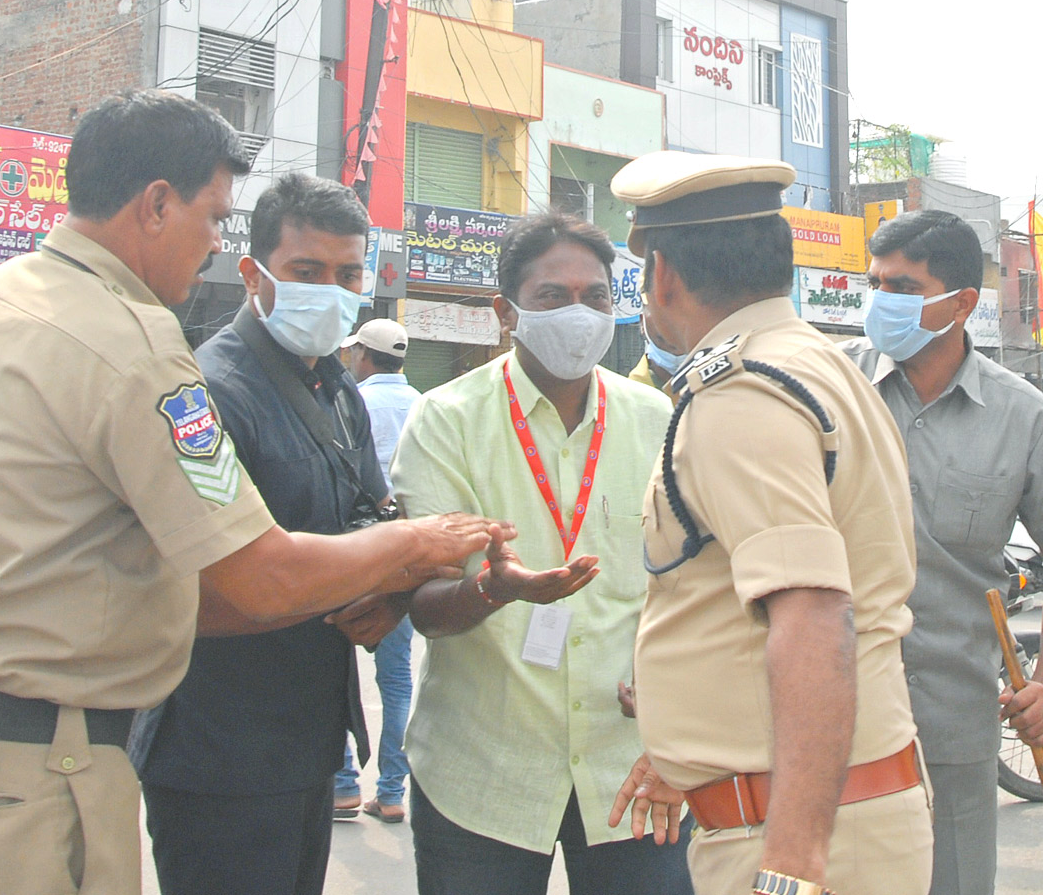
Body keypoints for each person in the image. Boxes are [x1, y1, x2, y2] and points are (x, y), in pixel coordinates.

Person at [0, 91, 497, 895]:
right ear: (157, 204)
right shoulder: (135, 341)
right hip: (30, 764)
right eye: (215, 219)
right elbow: (258, 575)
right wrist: (415, 545)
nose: (212, 246)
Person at [608, 151, 933, 895]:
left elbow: (815, 614)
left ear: (662, 274)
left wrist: (790, 869)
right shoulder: (816, 364)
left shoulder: (742, 396)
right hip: (834, 809)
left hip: (792, 831)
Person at [131, 173, 441, 895]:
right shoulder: (206, 394)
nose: (330, 291)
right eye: (307, 273)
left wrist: (391, 595)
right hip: (218, 750)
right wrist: (397, 557)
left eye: (348, 274)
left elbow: (372, 515)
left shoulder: (338, 391)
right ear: (253, 273)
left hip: (309, 737)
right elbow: (210, 584)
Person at [393, 211, 692, 895]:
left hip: (634, 768)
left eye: (596, 297)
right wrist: (494, 590)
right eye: (553, 297)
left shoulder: (657, 421)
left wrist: (672, 683)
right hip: (483, 774)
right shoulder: (446, 421)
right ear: (507, 311)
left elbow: (694, 585)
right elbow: (425, 610)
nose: (578, 313)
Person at [841, 209, 1043, 895]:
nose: (880, 303)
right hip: (829, 719)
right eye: (875, 284)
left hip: (954, 727)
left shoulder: (1022, 416)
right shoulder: (828, 392)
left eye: (901, 287)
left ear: (959, 303)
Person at [334, 318, 420, 823]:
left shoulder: (351, 402)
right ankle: (391, 792)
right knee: (397, 680)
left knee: (336, 671)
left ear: (364, 355)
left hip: (350, 554)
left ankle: (344, 783)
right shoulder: (424, 404)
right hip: (403, 558)